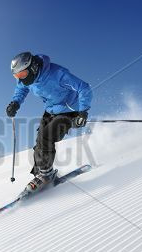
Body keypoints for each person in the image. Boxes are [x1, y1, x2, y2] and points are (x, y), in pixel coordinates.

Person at [6, 51, 92, 192]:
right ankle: (41, 174)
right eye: (16, 76)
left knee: (46, 136)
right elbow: (21, 88)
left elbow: (84, 88)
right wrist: (15, 103)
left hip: (70, 111)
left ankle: (46, 175)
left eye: (22, 75)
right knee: (40, 141)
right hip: (51, 110)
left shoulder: (58, 74)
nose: (20, 79)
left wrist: (83, 112)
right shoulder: (27, 78)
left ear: (32, 67)